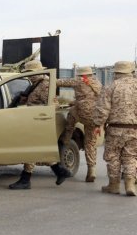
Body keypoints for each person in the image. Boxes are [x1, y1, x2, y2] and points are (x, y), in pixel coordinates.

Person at [8, 60, 73, 190]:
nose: (28, 76)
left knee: (30, 150)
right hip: (34, 120)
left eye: (29, 73)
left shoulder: (44, 85)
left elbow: (53, 105)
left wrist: (39, 111)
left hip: (39, 121)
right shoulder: (36, 85)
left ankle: (25, 179)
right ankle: (60, 171)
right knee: (39, 151)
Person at [93, 60, 137, 196]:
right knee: (131, 156)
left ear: (116, 72)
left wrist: (97, 124)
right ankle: (130, 184)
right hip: (134, 129)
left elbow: (102, 109)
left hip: (115, 129)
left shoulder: (111, 87)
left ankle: (114, 185)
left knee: (113, 157)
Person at [57, 66, 103, 182]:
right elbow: (90, 97)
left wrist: (47, 78)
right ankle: (91, 170)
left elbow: (61, 82)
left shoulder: (78, 81)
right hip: (95, 116)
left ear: (80, 75)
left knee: (70, 116)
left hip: (82, 113)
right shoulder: (97, 82)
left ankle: (66, 139)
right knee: (90, 143)